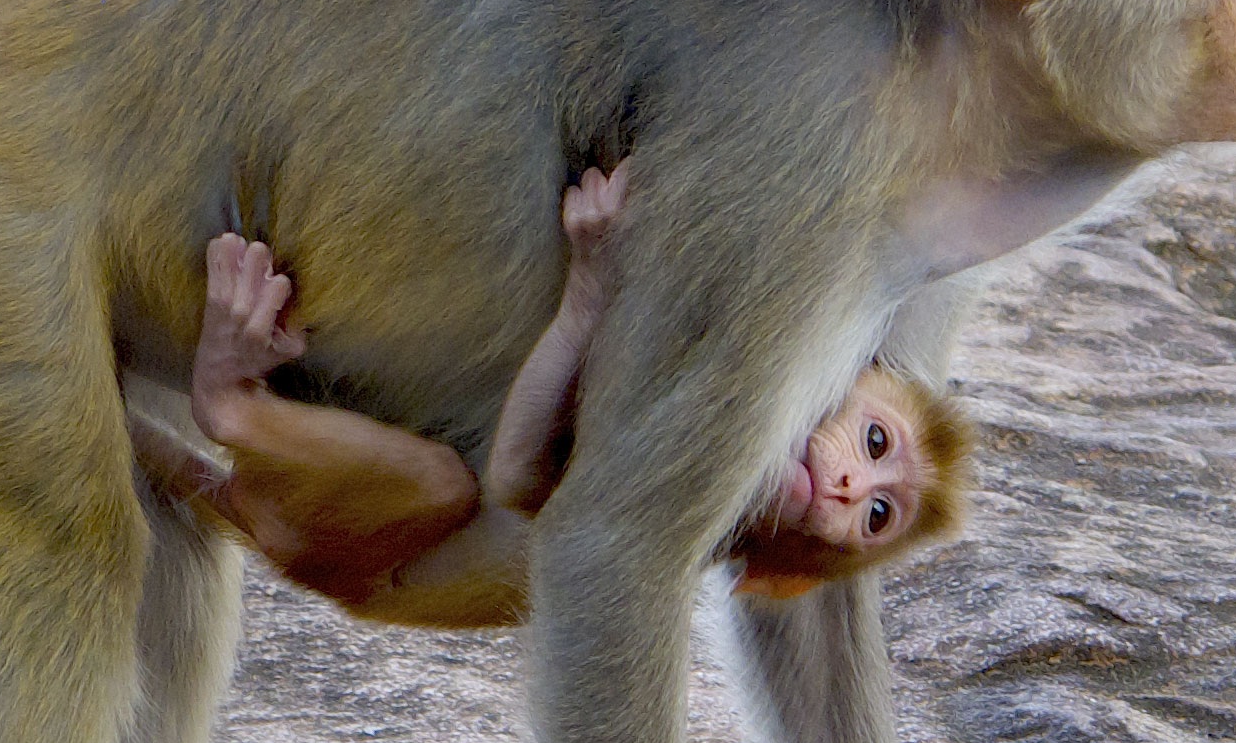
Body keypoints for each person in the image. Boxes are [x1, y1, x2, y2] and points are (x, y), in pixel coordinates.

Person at [138, 165, 970, 627]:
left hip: (373, 537)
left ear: (786, 578)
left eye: (874, 519)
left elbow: (520, 475)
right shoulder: (709, 425)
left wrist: (589, 285)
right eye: (874, 444)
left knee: (439, 481)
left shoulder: (685, 521)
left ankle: (231, 400)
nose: (853, 487)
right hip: (348, 509)